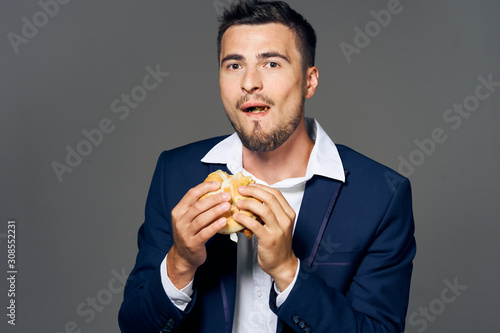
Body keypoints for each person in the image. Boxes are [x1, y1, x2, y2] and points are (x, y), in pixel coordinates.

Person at [118, 1, 416, 332]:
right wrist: (180, 263)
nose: (249, 83)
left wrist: (288, 270)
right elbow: (135, 327)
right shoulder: (174, 174)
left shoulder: (381, 195)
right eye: (233, 66)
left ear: (309, 81)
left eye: (271, 63)